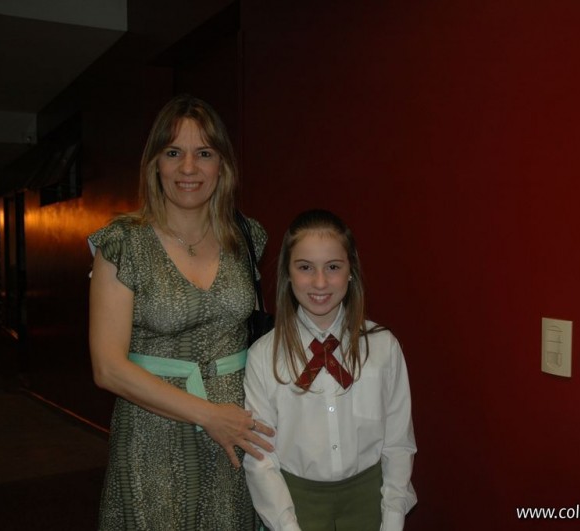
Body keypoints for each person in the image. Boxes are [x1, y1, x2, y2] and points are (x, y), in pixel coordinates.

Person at [88, 94, 275, 530]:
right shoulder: (123, 243)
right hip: (152, 439)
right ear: (155, 163)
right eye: (173, 153)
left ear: (222, 165)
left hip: (236, 436)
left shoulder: (247, 237)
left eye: (204, 153)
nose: (188, 168)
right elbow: (107, 368)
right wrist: (209, 414)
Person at [243, 209, 417, 531]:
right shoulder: (263, 357)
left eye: (333, 267)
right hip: (295, 509)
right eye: (305, 267)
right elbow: (261, 458)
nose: (320, 282)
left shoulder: (383, 348)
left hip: (371, 505)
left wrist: (392, 520)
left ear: (351, 271)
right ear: (287, 273)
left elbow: (398, 444)